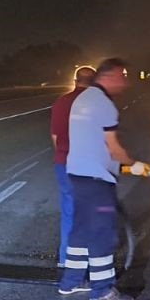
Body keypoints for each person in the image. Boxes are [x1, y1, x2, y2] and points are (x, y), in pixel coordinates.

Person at [57, 57, 147, 300]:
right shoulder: (105, 104)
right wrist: (134, 163)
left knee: (81, 229)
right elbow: (114, 147)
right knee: (102, 233)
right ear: (108, 76)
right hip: (96, 179)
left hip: (77, 173)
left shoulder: (82, 99)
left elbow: (92, 141)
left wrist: (122, 165)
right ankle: (102, 290)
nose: (125, 82)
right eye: (122, 76)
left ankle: (71, 281)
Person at [51, 65, 97, 276]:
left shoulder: (62, 102)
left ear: (75, 81)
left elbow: (55, 137)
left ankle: (66, 259)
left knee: (70, 212)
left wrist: (64, 153)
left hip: (65, 163)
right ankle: (86, 261)